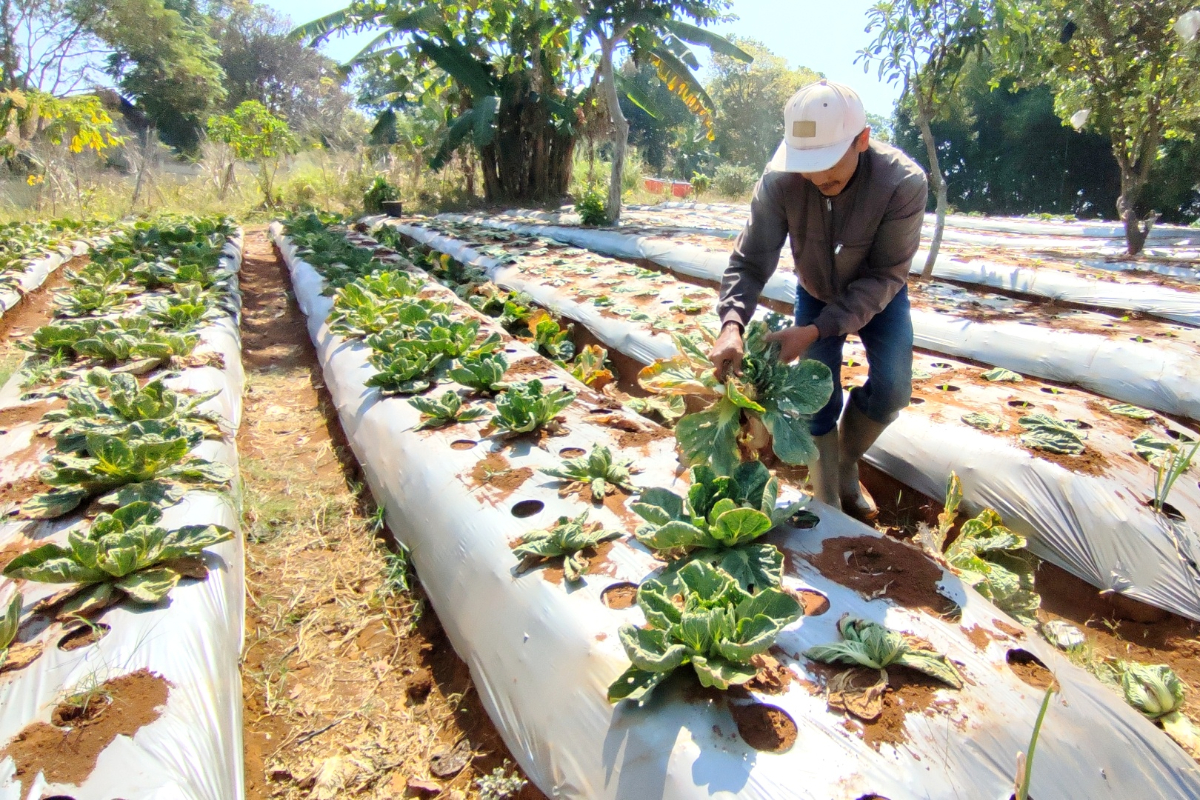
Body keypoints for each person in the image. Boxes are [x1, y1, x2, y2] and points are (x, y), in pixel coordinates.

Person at [709, 80, 928, 521]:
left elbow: (887, 273)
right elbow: (750, 261)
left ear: (862, 141)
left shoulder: (902, 183)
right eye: (807, 166)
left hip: (879, 295)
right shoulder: (780, 181)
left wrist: (812, 331)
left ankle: (846, 462)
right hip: (816, 289)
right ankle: (827, 494)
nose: (816, 177)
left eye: (828, 165)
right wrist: (731, 324)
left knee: (893, 389)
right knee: (816, 394)